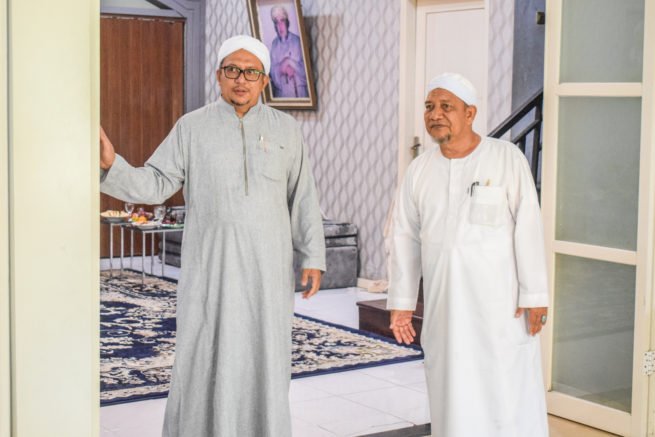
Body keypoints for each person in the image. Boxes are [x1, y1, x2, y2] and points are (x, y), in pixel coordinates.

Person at [99, 35, 326, 437]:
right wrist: (112, 165)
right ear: (219, 75)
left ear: (265, 80)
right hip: (210, 269)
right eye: (232, 70)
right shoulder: (192, 127)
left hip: (267, 272)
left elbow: (302, 197)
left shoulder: (287, 130)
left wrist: (313, 256)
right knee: (204, 352)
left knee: (265, 355)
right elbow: (156, 182)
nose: (241, 79)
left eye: (251, 72)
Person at [387, 72, 549, 436]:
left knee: (505, 388)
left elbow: (528, 227)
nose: (435, 114)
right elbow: (404, 238)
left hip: (500, 308)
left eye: (446, 106)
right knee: (452, 388)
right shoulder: (419, 170)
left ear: (470, 113)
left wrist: (535, 295)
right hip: (445, 308)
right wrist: (402, 303)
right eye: (429, 106)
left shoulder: (505, 158)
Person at [268, 5, 309, 98]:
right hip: (282, 95)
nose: (280, 26)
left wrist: (289, 62)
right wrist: (281, 68)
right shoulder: (274, 45)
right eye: (277, 22)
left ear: (287, 22)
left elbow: (307, 72)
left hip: (299, 93)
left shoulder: (298, 41)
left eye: (282, 21)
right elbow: (272, 73)